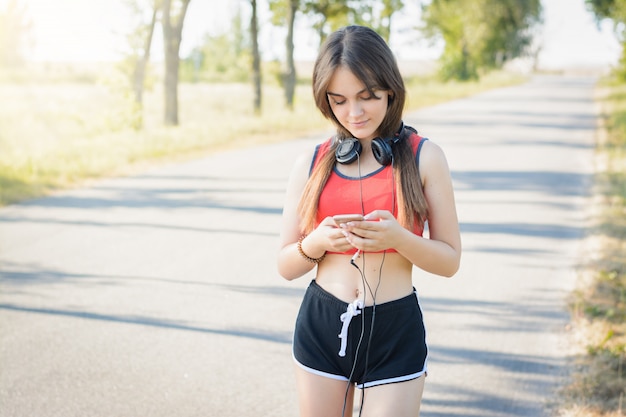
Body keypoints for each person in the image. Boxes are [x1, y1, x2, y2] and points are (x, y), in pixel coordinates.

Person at [277, 25, 461, 417]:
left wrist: (398, 238)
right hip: (322, 327)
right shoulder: (310, 163)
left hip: (395, 332)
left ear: (390, 90)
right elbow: (285, 265)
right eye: (339, 100)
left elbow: (449, 261)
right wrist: (318, 243)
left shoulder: (425, 157)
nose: (354, 113)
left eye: (368, 96)